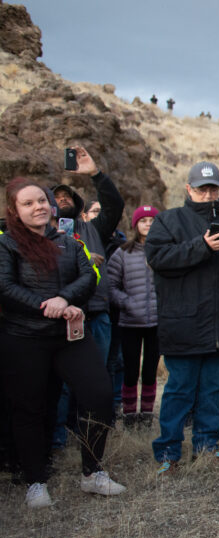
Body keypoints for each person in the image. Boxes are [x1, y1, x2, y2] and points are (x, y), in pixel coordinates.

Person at [0, 178, 127, 507]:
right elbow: (5, 287)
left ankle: (92, 473)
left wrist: (63, 298)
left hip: (70, 337)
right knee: (30, 408)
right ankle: (35, 481)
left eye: (41, 201)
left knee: (99, 395)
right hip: (24, 338)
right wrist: (49, 306)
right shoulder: (6, 244)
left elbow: (88, 277)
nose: (38, 206)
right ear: (14, 211)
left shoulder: (70, 243)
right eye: (28, 203)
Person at [145, 161, 219, 475]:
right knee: (179, 390)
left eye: (213, 188)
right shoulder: (168, 222)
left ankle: (207, 447)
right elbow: (158, 258)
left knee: (214, 391)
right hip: (183, 323)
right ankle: (168, 453)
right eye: (202, 189)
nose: (208, 194)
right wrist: (202, 246)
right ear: (189, 189)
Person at [51, 145, 125, 431]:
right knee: (62, 382)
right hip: (64, 316)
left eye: (66, 196)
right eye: (56, 198)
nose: (62, 200)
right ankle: (59, 437)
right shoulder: (44, 233)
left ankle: (92, 433)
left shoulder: (94, 229)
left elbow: (114, 205)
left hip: (97, 313)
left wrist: (95, 174)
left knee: (98, 377)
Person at [106, 205, 160, 427]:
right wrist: (127, 303)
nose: (148, 224)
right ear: (135, 225)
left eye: (152, 220)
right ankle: (129, 415)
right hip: (130, 321)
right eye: (143, 220)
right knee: (130, 370)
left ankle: (146, 415)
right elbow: (110, 285)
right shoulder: (123, 252)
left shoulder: (164, 251)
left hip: (157, 322)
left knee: (150, 370)